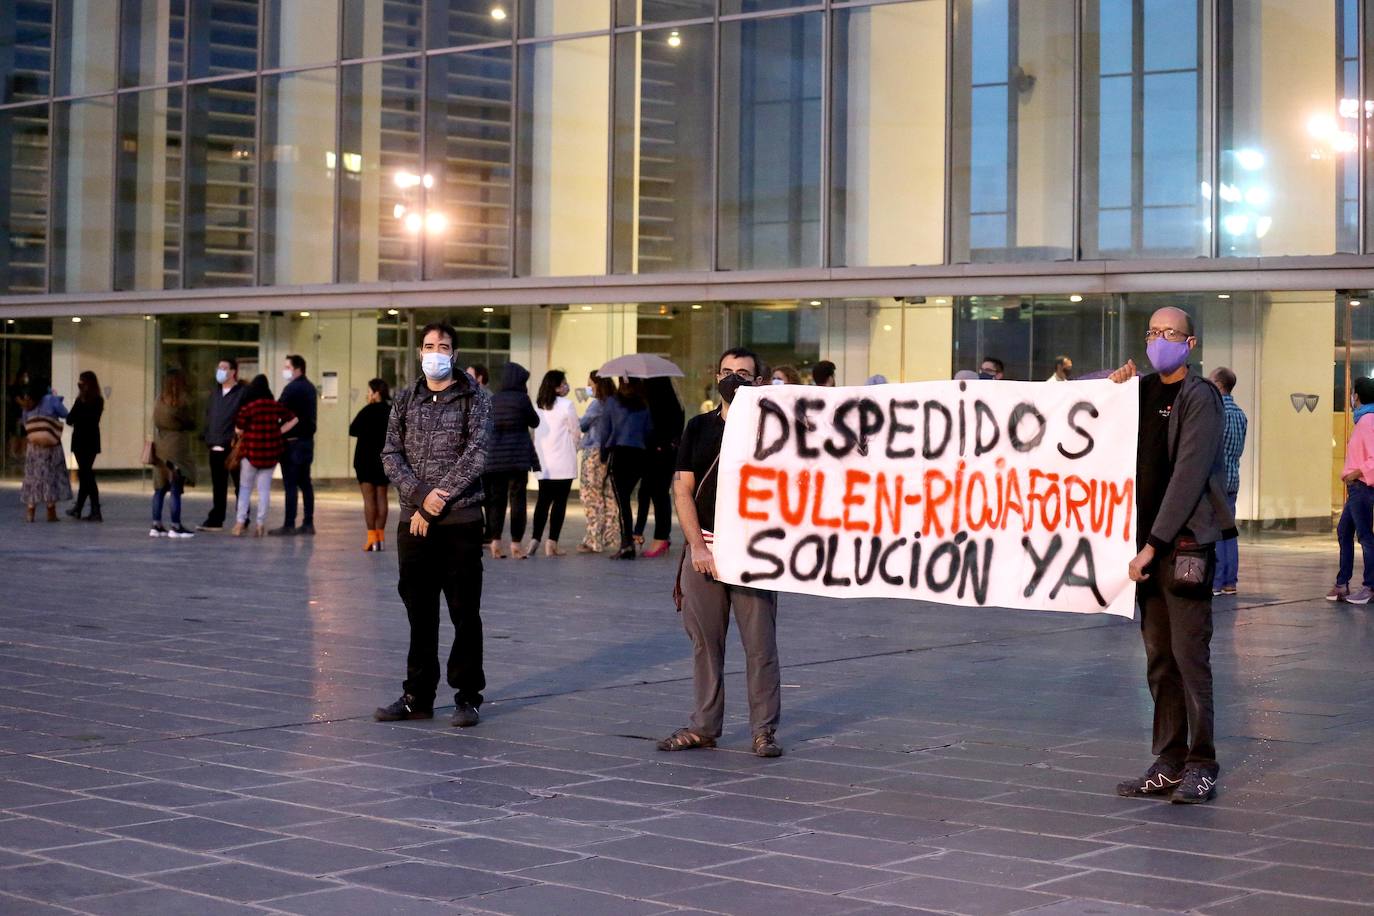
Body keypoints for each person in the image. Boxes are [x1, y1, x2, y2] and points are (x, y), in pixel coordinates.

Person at [1111, 307, 1233, 805]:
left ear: (1191, 343)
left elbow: (1187, 477)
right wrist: (1110, 385)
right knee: (1159, 659)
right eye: (1153, 333)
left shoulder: (1199, 397)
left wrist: (1152, 544)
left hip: (1180, 547)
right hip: (1143, 549)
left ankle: (1201, 763)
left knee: (1188, 657)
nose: (1160, 340)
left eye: (1171, 334)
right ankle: (1168, 759)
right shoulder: (1139, 391)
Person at [658, 346, 782, 759]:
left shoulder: (775, 432)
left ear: (758, 380)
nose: (733, 379)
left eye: (743, 373)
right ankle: (704, 726)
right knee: (706, 645)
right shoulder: (699, 428)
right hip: (705, 551)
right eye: (727, 371)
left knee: (760, 645)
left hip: (754, 554)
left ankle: (764, 730)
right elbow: (682, 489)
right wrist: (696, 546)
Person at [375, 321, 491, 728]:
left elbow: (477, 454)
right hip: (414, 523)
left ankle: (467, 696)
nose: (435, 352)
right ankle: (417, 696)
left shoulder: (474, 397)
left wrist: (434, 502)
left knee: (464, 611)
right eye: (428, 345)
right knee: (419, 612)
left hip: (459, 521)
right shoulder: (406, 398)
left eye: (443, 346)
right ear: (419, 353)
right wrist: (420, 495)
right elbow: (390, 454)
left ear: (454, 354)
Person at [483, 362, 539, 559]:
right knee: (518, 500)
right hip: (517, 458)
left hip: (495, 458)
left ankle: (495, 542)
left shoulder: (493, 399)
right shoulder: (522, 400)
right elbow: (535, 421)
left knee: (496, 501)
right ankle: (516, 544)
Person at [232, 375, 297, 537]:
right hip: (270, 454)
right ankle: (260, 524)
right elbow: (294, 419)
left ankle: (240, 522)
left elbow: (239, 428)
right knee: (264, 490)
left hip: (251, 453)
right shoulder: (275, 406)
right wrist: (279, 431)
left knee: (245, 488)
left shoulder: (249, 408)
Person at [1328, 376, 1374, 605]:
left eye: (1352, 393)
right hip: (1357, 488)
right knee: (1344, 531)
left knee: (1364, 536)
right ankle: (1342, 583)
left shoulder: (1368, 420)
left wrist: (1357, 473)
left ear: (1357, 396)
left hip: (1362, 487)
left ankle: (1370, 586)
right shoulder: (1364, 420)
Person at [600, 378, 653, 560]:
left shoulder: (612, 402)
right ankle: (628, 541)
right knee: (627, 500)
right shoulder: (644, 404)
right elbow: (648, 431)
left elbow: (605, 430)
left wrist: (603, 456)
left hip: (620, 454)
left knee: (622, 502)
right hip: (639, 455)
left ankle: (626, 545)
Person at [532, 369, 580, 557]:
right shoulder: (567, 405)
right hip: (564, 463)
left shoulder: (538, 406)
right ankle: (552, 544)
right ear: (557, 387)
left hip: (544, 463)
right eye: (564, 383)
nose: (566, 386)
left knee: (542, 502)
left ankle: (535, 538)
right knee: (559, 503)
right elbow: (575, 432)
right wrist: (575, 447)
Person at [635, 377, 684, 559]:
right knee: (657, 494)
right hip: (666, 455)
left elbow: (654, 431)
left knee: (657, 494)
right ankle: (661, 536)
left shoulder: (658, 405)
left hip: (657, 454)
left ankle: (661, 537)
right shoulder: (675, 403)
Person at [1210, 368, 1247, 597]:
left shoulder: (1216, 411)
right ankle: (1229, 582)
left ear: (1219, 385)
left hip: (1215, 478)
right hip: (1233, 477)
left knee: (1212, 531)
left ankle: (1214, 581)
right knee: (1228, 531)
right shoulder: (1240, 414)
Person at [198, 357, 247, 531]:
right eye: (219, 367)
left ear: (233, 371)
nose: (220, 371)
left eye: (224, 368)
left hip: (233, 447)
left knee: (240, 484)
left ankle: (243, 516)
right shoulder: (215, 393)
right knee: (218, 486)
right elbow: (209, 415)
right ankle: (216, 518)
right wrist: (208, 437)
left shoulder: (242, 393)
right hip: (215, 445)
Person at [271, 354, 317, 536]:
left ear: (297, 368)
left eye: (287, 367)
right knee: (305, 482)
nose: (285, 370)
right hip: (306, 442)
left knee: (290, 484)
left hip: (292, 443)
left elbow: (278, 409)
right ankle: (308, 522)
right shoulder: (310, 388)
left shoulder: (292, 388)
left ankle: (289, 523)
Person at [150, 369, 197, 538]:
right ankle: (176, 526)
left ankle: (156, 524)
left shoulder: (158, 400)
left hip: (160, 445)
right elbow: (190, 422)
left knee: (160, 488)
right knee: (175, 487)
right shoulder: (181, 402)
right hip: (176, 446)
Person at [577, 374, 620, 554]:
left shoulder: (597, 404)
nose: (588, 387)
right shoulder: (615, 402)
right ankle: (611, 536)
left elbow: (583, 424)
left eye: (590, 384)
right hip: (610, 452)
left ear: (597, 385)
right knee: (608, 495)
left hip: (593, 452)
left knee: (590, 495)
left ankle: (593, 539)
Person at [19, 379, 71, 522]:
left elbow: (25, 422)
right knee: (51, 476)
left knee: (33, 477)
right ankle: (50, 511)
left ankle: (30, 511)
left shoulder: (28, 402)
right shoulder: (51, 399)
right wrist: (56, 398)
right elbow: (65, 413)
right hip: (51, 445)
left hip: (34, 447)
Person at [350, 378, 392, 553]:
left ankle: (371, 539)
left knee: (369, 500)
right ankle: (381, 539)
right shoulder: (391, 411)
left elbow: (352, 430)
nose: (367, 395)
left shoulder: (366, 411)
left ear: (376, 393)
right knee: (382, 497)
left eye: (369, 392)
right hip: (384, 460)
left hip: (365, 460)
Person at [66, 371, 104, 522]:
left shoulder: (95, 401)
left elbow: (86, 418)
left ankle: (95, 509)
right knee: (85, 474)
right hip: (84, 440)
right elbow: (69, 419)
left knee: (87, 475)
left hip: (86, 440)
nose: (80, 385)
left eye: (82, 382)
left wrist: (80, 405)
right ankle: (79, 508)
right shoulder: (84, 400)